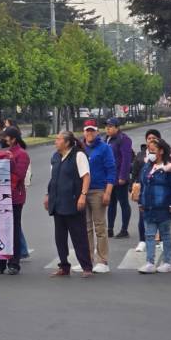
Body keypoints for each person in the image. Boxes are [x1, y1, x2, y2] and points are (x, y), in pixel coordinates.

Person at [46, 131, 93, 278]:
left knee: (79, 236)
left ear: (67, 142)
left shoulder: (78, 155)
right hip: (58, 202)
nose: (56, 142)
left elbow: (86, 177)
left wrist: (83, 196)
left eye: (58, 139)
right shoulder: (55, 157)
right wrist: (48, 195)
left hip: (73, 202)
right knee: (59, 237)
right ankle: (64, 266)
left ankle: (86, 267)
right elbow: (53, 179)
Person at [137, 138, 171, 274]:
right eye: (149, 150)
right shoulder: (147, 166)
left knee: (165, 235)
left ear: (161, 151)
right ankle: (150, 263)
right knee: (149, 235)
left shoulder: (170, 167)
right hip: (148, 207)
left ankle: (167, 262)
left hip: (164, 207)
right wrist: (141, 201)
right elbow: (143, 185)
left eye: (153, 150)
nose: (150, 153)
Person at [0, 126, 30, 275]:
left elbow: (18, 176)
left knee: (13, 230)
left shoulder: (21, 155)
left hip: (14, 198)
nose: (2, 139)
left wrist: (2, 186)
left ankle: (13, 263)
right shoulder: (0, 153)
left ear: (13, 139)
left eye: (5, 137)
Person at [82, 120, 116, 273]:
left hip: (98, 190)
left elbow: (111, 170)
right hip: (83, 191)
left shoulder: (105, 148)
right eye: (87, 131)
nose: (89, 133)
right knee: (86, 228)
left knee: (100, 227)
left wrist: (108, 192)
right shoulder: (80, 148)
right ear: (84, 132)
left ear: (96, 132)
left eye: (92, 131)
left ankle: (102, 260)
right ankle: (88, 260)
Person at [131, 129, 162, 252]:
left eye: (154, 138)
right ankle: (142, 241)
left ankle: (160, 240)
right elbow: (134, 173)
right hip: (143, 191)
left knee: (159, 216)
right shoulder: (140, 155)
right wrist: (131, 188)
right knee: (142, 216)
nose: (151, 140)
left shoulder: (164, 154)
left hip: (159, 191)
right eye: (149, 138)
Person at [105, 118, 133, 239]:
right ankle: (110, 229)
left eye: (110, 126)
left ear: (117, 127)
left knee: (123, 203)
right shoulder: (106, 139)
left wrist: (123, 176)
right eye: (107, 126)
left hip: (120, 178)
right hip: (110, 179)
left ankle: (124, 229)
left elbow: (126, 160)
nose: (108, 129)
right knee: (111, 204)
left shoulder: (124, 139)